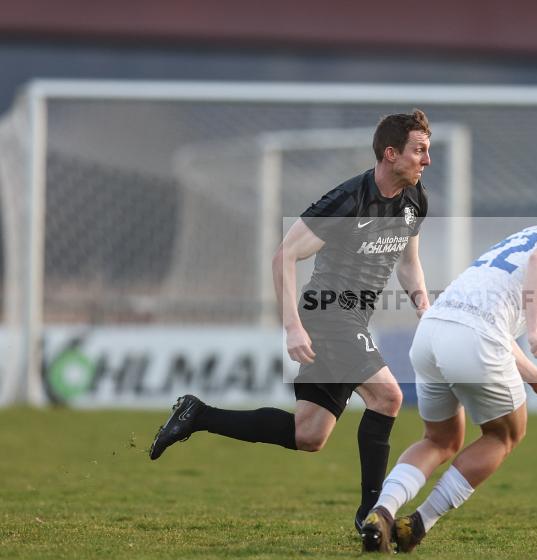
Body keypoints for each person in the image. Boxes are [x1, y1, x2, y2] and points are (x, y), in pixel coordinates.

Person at [149, 109, 433, 532]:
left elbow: (409, 264)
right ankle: (370, 515)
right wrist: (292, 327)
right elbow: (284, 255)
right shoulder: (347, 200)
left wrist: (424, 309)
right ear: (391, 153)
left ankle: (198, 414)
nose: (426, 160)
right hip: (329, 314)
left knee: (309, 435)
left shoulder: (415, 202)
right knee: (388, 398)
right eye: (419, 151)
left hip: (353, 317)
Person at [359, 165, 537, 552]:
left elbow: (493, 323)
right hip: (473, 337)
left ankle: (382, 512)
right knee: (504, 434)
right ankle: (417, 524)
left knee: (439, 439)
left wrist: (531, 374)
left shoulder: (523, 234)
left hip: (433, 329)